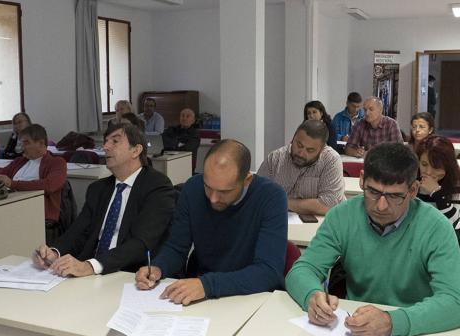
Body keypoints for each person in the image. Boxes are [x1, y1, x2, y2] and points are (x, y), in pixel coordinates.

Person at [286, 143, 460, 336]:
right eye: (373, 192)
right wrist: (312, 295)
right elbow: (302, 269)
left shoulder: (436, 227)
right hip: (351, 330)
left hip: (416, 332)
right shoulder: (342, 216)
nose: (381, 206)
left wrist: (392, 322)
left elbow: (455, 300)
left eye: (395, 196)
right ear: (361, 180)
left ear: (413, 190)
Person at [135, 139, 287, 305]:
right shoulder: (193, 188)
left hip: (251, 297)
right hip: (202, 294)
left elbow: (269, 272)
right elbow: (177, 247)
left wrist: (207, 285)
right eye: (208, 186)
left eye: (224, 191)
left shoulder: (271, 197)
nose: (213, 199)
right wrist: (158, 267)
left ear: (247, 180)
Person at [32, 123, 176, 277]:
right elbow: (77, 232)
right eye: (106, 141)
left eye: (115, 141)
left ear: (136, 150)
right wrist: (54, 252)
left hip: (131, 275)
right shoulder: (98, 189)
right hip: (91, 274)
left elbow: (141, 243)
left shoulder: (157, 186)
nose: (106, 147)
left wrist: (92, 266)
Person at [0, 124, 67, 237]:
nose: (22, 147)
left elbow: (50, 185)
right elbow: (1, 174)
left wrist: (13, 184)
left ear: (41, 143)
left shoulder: (57, 162)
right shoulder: (20, 161)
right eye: (21, 143)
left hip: (37, 215)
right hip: (11, 209)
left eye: (26, 143)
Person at [257, 120, 345, 215]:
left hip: (319, 225)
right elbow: (257, 194)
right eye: (299, 145)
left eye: (310, 150)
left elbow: (329, 205)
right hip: (278, 220)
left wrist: (281, 202)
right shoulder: (275, 158)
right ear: (293, 138)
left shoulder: (331, 160)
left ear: (322, 149)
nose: (301, 153)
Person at [415, 135, 460, 243]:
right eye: (424, 164)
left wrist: (437, 193)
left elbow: (455, 227)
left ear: (448, 166)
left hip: (444, 244)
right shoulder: (411, 184)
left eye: (436, 166)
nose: (428, 172)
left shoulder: (456, 187)